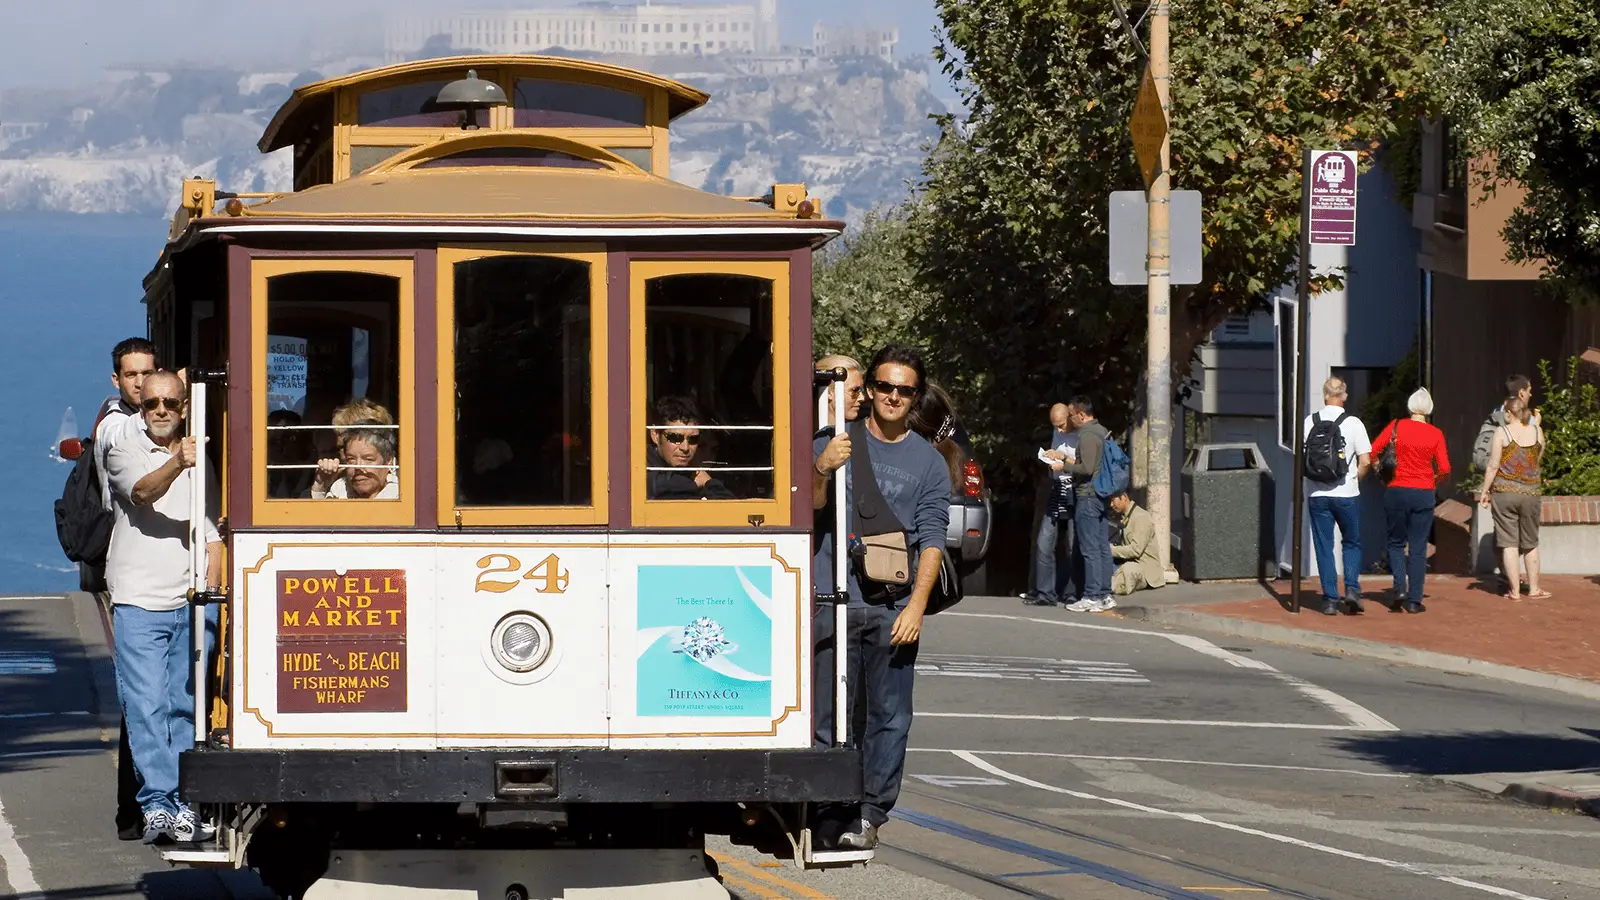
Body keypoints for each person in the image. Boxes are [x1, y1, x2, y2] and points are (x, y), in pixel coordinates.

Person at [811, 344, 950, 851]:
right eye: (885, 386)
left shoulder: (929, 462)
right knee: (831, 712)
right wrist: (823, 467)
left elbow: (933, 539)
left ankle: (869, 812)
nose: (893, 396)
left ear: (915, 398)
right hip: (831, 598)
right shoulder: (832, 440)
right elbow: (805, 508)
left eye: (904, 390)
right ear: (868, 390)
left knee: (890, 716)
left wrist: (916, 606)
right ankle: (828, 806)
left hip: (892, 606)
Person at [103, 370, 223, 844]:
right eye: (151, 403)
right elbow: (141, 493)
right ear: (140, 405)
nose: (159, 412)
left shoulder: (200, 460)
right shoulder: (124, 448)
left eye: (169, 404)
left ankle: (187, 804)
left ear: (183, 408)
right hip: (138, 600)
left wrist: (212, 597)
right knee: (146, 706)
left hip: (190, 600)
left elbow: (211, 534)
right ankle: (158, 802)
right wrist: (179, 461)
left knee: (186, 708)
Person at [94, 338, 156, 841]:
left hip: (163, 571)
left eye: (149, 373)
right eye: (133, 376)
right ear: (117, 380)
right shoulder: (116, 427)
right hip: (132, 569)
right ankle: (130, 808)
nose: (142, 384)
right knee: (137, 697)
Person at [1371, 388, 1450, 613]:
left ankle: (1399, 589)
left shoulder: (1396, 426)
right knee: (1418, 546)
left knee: (1396, 543)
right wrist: (1433, 479)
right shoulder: (1436, 434)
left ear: (1409, 405)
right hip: (1423, 492)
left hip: (1396, 489)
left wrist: (1381, 472)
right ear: (1429, 409)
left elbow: (1374, 450)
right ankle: (1415, 600)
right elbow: (1444, 467)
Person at [1304, 377, 1372, 616]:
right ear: (1344, 396)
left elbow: (1300, 458)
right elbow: (1366, 460)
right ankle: (1352, 589)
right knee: (1351, 542)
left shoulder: (1308, 422)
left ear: (1324, 395)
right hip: (1347, 493)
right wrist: (1355, 480)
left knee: (1324, 546)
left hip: (1317, 494)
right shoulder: (1353, 423)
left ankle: (1330, 600)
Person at [1479, 396, 1547, 600]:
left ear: (1509, 413)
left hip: (1504, 493)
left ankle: (1515, 591)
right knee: (1530, 542)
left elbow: (1493, 465)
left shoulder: (1502, 432)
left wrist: (1484, 491)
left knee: (1509, 543)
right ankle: (1534, 589)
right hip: (1531, 493)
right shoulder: (1537, 431)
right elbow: (1538, 457)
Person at [1059, 398, 1115, 612]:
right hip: (1100, 493)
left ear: (1081, 414)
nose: (1071, 420)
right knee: (1102, 546)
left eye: (1072, 415)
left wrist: (1063, 465)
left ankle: (1092, 596)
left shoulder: (1087, 435)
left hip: (1088, 495)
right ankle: (1104, 594)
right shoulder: (1102, 430)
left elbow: (1087, 468)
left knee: (1089, 548)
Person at [1022, 403, 1079, 607]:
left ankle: (1073, 592)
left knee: (1073, 545)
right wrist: (1049, 457)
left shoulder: (1081, 435)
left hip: (1074, 490)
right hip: (1056, 487)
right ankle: (1045, 592)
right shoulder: (1058, 434)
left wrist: (1063, 458)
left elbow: (1085, 464)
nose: (1059, 430)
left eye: (1062, 425)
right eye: (1055, 426)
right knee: (1044, 543)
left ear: (1071, 417)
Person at [645, 395, 735, 500]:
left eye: (693, 439)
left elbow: (730, 505)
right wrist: (700, 483)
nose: (685, 447)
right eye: (675, 438)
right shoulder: (640, 466)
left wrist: (709, 482)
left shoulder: (690, 471)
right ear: (655, 435)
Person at [313, 425, 400, 499]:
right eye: (351, 459)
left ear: (389, 461)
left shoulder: (402, 493)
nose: (358, 466)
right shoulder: (340, 488)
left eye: (368, 459)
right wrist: (320, 487)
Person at [1472, 374, 1537, 473]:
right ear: (1522, 393)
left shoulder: (1496, 412)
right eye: (1529, 391)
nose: (1530, 395)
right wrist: (1536, 426)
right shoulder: (1528, 419)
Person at [1108, 490, 1164, 596]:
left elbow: (1136, 550)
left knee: (1128, 570)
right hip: (1127, 561)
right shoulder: (1125, 517)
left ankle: (1107, 587)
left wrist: (1110, 550)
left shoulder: (1141, 517)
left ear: (1124, 497)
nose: (1111, 505)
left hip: (1145, 570)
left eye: (1112, 501)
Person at [266, 409, 316, 499]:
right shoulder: (261, 479)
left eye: (287, 438)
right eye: (273, 441)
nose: (280, 447)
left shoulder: (317, 475)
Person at [816, 354, 866, 431]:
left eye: (861, 390)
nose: (862, 398)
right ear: (829, 393)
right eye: (855, 390)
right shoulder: (806, 438)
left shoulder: (860, 435)